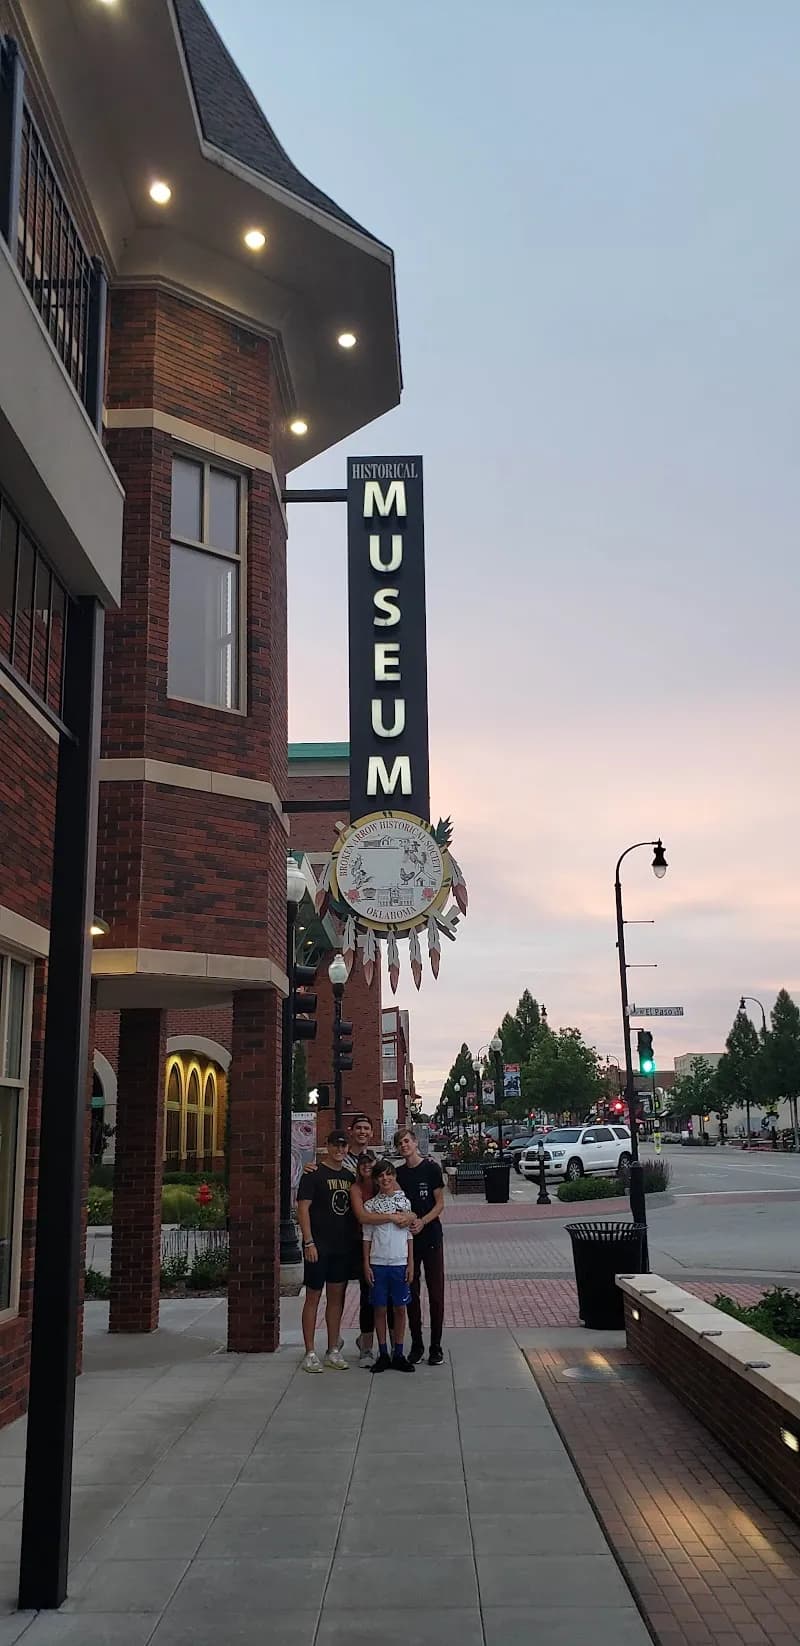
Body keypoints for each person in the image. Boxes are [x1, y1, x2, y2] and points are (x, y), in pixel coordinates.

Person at [296, 1130, 356, 1373]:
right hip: (318, 1246)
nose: (340, 1150)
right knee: (312, 1297)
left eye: (344, 1146)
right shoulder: (313, 1175)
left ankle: (333, 1348)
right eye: (336, 1145)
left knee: (336, 1298)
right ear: (328, 1146)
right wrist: (308, 1242)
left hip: (341, 1245)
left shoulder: (349, 1177)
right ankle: (310, 1351)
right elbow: (302, 1210)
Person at [396, 1126, 446, 1366]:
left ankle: (436, 1346)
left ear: (415, 1143)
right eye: (400, 1143)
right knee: (411, 1292)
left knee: (436, 1293)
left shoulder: (431, 1168)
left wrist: (423, 1221)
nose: (404, 1146)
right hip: (408, 1240)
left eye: (407, 1141)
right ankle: (417, 1344)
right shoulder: (398, 1175)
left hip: (431, 1236)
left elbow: (439, 1204)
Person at [362, 1159, 415, 1372]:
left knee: (400, 1308)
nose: (385, 1179)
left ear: (394, 1177)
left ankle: (399, 1352)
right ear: (376, 1180)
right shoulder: (370, 1206)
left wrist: (410, 1262)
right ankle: (383, 1352)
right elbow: (366, 1237)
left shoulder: (405, 1204)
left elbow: (409, 1234)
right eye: (381, 1176)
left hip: (399, 1262)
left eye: (388, 1174)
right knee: (380, 1308)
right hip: (378, 1262)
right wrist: (366, 1264)